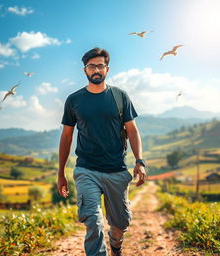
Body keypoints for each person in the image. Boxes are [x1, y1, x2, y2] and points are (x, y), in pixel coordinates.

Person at [57, 47, 147, 256]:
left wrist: (140, 161)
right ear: (85, 70)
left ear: (107, 69)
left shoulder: (119, 96)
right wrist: (61, 173)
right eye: (91, 66)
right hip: (86, 170)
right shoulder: (74, 100)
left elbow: (132, 131)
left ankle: (116, 245)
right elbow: (67, 136)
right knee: (92, 220)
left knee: (120, 224)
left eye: (100, 65)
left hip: (116, 170)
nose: (95, 70)